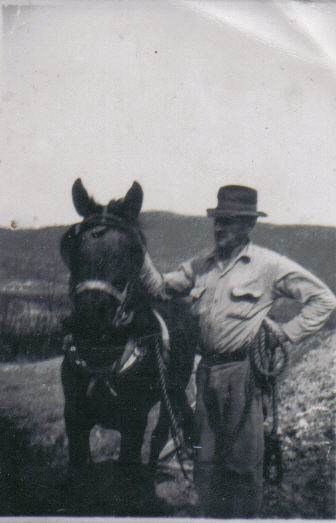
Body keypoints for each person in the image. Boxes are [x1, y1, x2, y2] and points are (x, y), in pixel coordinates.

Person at [139, 185, 336, 518]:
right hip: (206, 373)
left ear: (248, 225)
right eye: (217, 220)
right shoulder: (201, 265)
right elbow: (160, 287)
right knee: (205, 463)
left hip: (243, 375)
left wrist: (286, 334)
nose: (219, 228)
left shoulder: (269, 265)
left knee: (242, 466)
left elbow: (324, 300)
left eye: (229, 221)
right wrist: (137, 251)